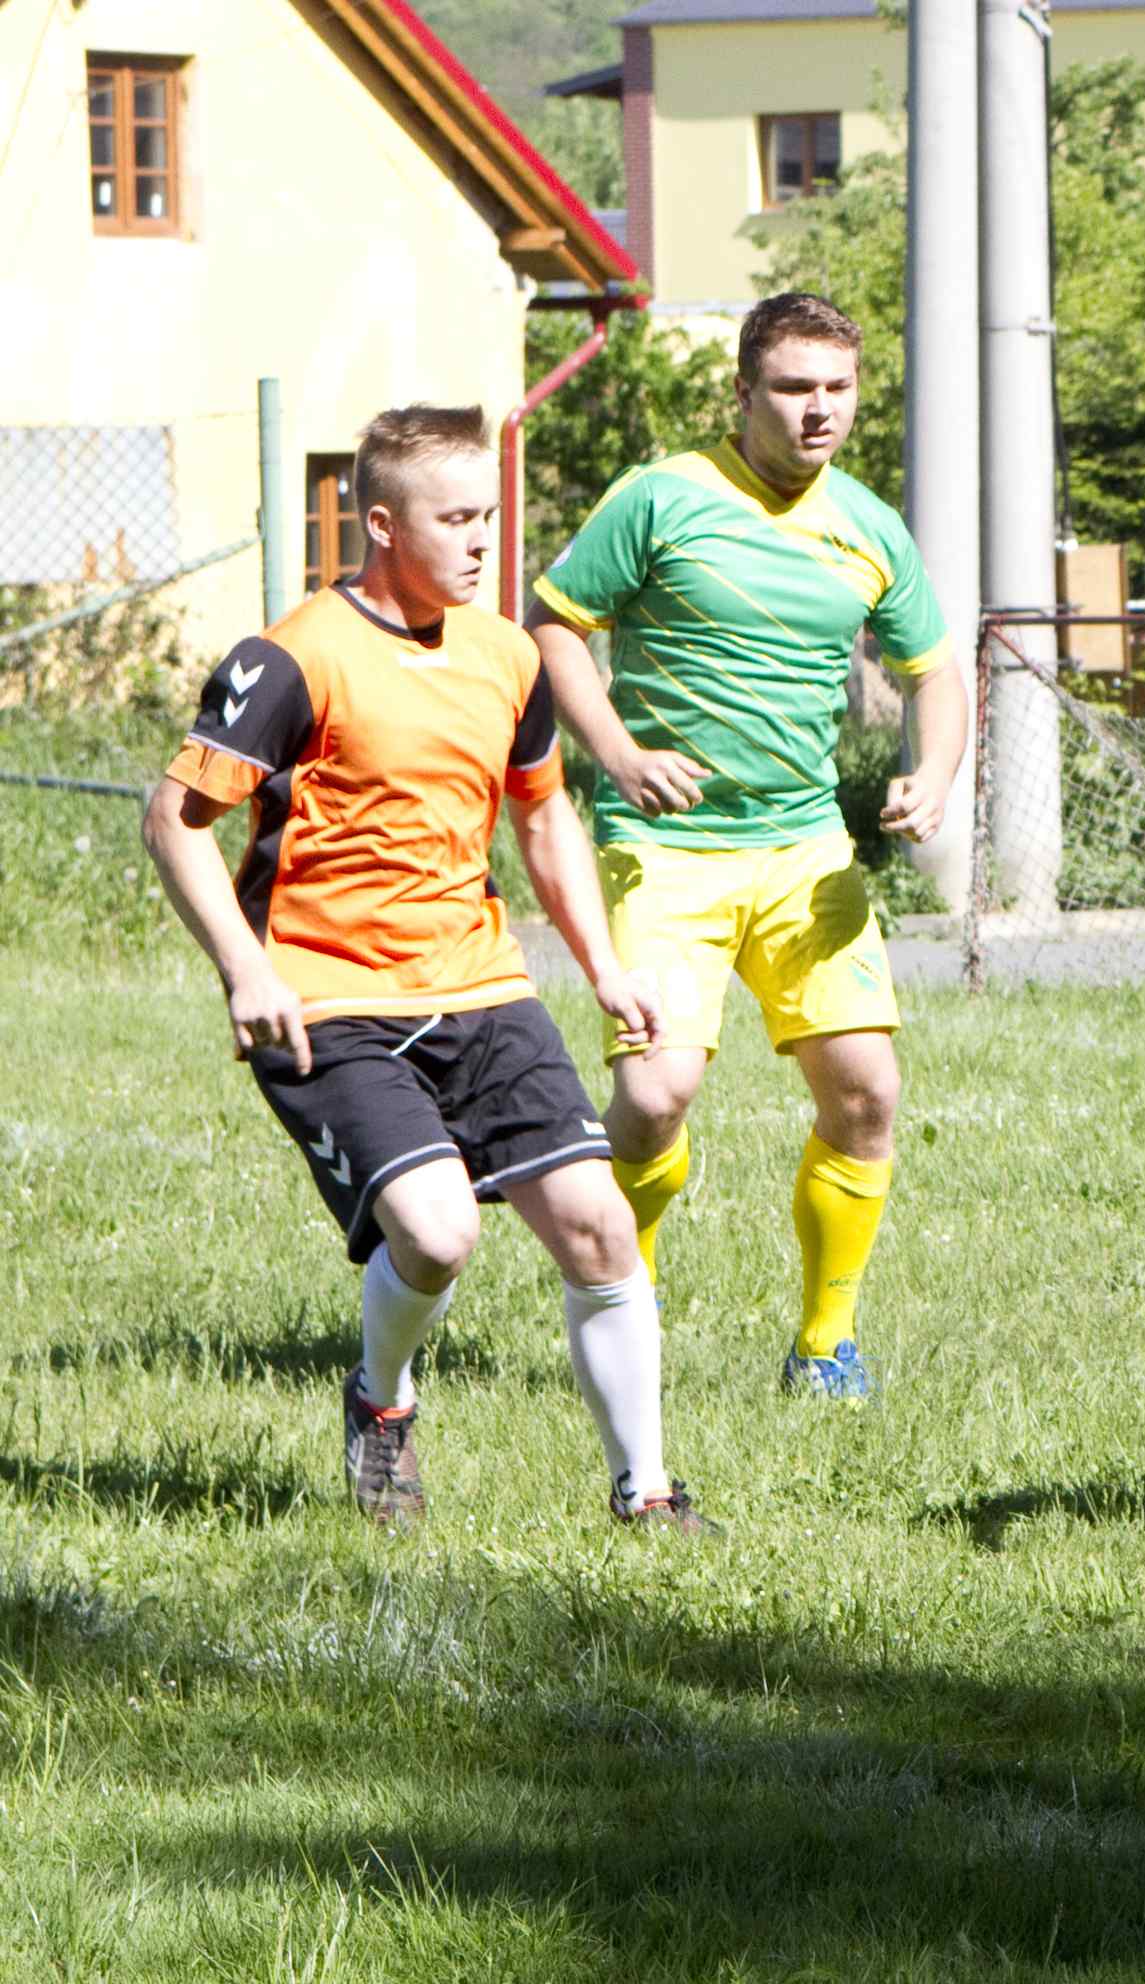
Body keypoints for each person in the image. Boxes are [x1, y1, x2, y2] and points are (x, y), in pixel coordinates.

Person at [141, 404, 713, 1533]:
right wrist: (247, 970)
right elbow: (173, 817)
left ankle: (646, 1493)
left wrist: (603, 965)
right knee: (441, 1233)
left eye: (489, 515)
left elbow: (543, 822)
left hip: (483, 986)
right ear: (381, 523)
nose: (480, 539)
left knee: (597, 1224)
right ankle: (381, 1399)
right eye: (454, 518)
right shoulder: (294, 655)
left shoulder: (506, 653)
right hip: (328, 1000)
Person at [526, 291, 963, 1404]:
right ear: (743, 392)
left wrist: (933, 770)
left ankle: (826, 1346)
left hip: (803, 848)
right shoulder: (663, 497)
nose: (820, 412)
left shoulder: (867, 524)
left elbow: (935, 671)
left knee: (867, 1091)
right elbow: (557, 625)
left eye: (839, 389)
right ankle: (627, 1302)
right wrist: (618, 752)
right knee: (656, 1095)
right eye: (794, 388)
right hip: (665, 846)